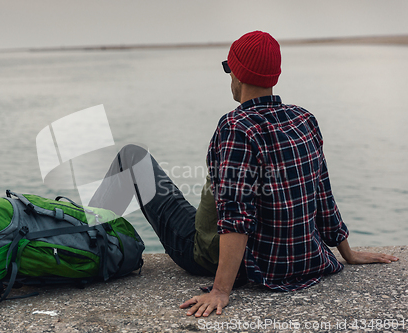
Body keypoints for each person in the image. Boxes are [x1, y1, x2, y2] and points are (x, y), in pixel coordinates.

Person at [89, 30, 399, 319]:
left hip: (215, 255)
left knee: (132, 158)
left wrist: (220, 291)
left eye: (228, 68)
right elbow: (321, 191)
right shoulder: (305, 120)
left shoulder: (236, 127)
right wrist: (347, 251)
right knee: (187, 196)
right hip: (299, 257)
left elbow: (237, 215)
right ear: (274, 76)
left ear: (236, 74)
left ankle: (89, 237)